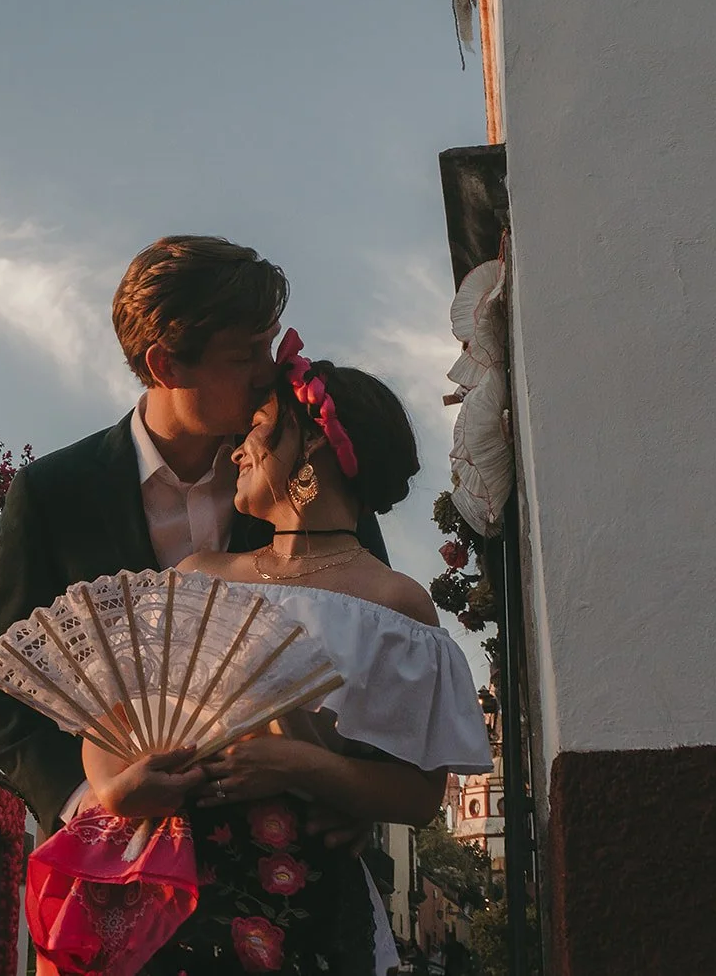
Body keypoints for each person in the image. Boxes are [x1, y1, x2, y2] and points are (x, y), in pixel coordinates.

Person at [82, 331, 493, 975]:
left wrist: (298, 765)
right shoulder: (198, 577)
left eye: (260, 427)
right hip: (170, 891)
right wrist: (115, 786)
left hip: (309, 905)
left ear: (316, 443)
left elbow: (418, 795)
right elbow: (114, 712)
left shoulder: (397, 606)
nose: (238, 447)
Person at [0, 236, 388, 834]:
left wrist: (350, 799)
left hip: (292, 856)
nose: (271, 372)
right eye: (245, 356)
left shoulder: (302, 475)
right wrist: (91, 801)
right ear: (164, 365)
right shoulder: (55, 494)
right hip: (121, 875)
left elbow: (380, 651)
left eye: (272, 345)